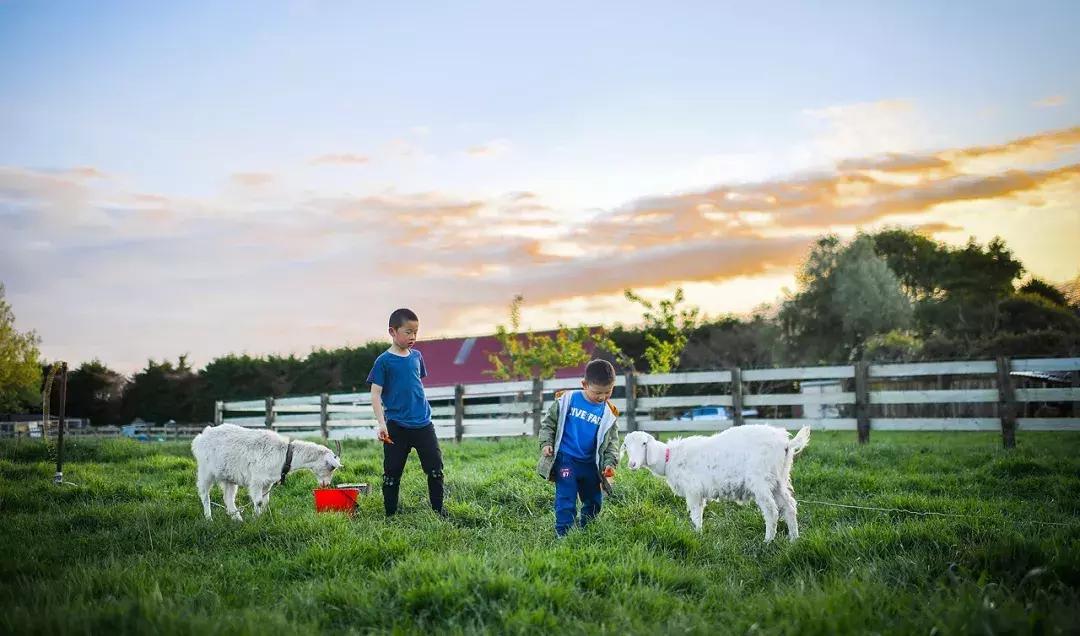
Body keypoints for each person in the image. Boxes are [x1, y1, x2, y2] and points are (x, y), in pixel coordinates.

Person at [367, 308, 445, 517]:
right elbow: (375, 394)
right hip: (396, 426)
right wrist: (381, 423)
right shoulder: (383, 361)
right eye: (408, 332)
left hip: (423, 424)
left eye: (416, 332)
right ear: (392, 331)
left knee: (435, 469)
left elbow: (415, 385)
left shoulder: (417, 356)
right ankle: (390, 514)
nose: (413, 337)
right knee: (392, 472)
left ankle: (438, 510)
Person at [536, 359, 620, 537]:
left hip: (591, 464)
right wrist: (546, 443)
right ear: (584, 384)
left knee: (594, 499)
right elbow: (548, 424)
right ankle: (564, 533)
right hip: (566, 460)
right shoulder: (567, 400)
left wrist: (610, 463)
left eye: (608, 391)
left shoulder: (609, 414)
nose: (602, 397)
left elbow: (612, 442)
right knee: (565, 497)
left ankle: (587, 528)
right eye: (597, 392)